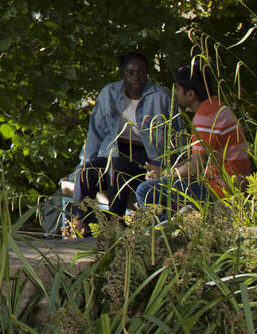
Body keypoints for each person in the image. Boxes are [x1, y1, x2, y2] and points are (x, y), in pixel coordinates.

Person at [67, 52, 180, 236]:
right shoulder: (109, 93)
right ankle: (80, 223)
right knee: (86, 172)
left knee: (118, 167)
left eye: (141, 72)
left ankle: (115, 221)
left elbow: (176, 134)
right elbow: (95, 134)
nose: (136, 77)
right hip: (113, 152)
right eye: (131, 72)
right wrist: (81, 165)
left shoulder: (161, 97)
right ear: (123, 75)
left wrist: (173, 169)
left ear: (148, 74)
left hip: (146, 158)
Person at [136, 62, 251, 221]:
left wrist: (164, 175)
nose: (174, 93)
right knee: (162, 189)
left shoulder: (206, 117)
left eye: (177, 88)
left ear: (190, 94)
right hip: (226, 184)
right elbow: (197, 160)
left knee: (145, 190)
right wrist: (164, 172)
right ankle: (174, 228)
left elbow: (196, 167)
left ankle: (164, 237)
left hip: (222, 188)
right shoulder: (215, 108)